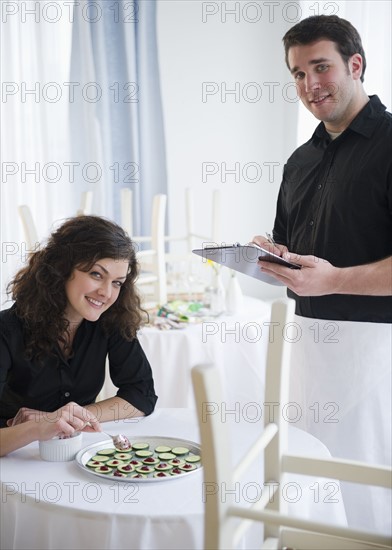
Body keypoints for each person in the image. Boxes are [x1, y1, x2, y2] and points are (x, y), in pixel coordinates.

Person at [252, 15, 391, 533]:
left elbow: (334, 273)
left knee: (371, 487)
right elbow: (300, 259)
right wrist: (273, 257)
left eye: (321, 67)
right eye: (297, 73)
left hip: (378, 350)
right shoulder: (298, 161)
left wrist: (332, 280)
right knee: (312, 480)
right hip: (307, 345)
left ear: (355, 65)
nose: (310, 85)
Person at [0, 215, 158, 456]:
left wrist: (70, 417)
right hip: (16, 463)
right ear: (62, 269)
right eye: (96, 274)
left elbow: (141, 395)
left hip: (78, 455)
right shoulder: (6, 331)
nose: (106, 292)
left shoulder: (111, 321)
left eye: (117, 282)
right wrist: (36, 428)